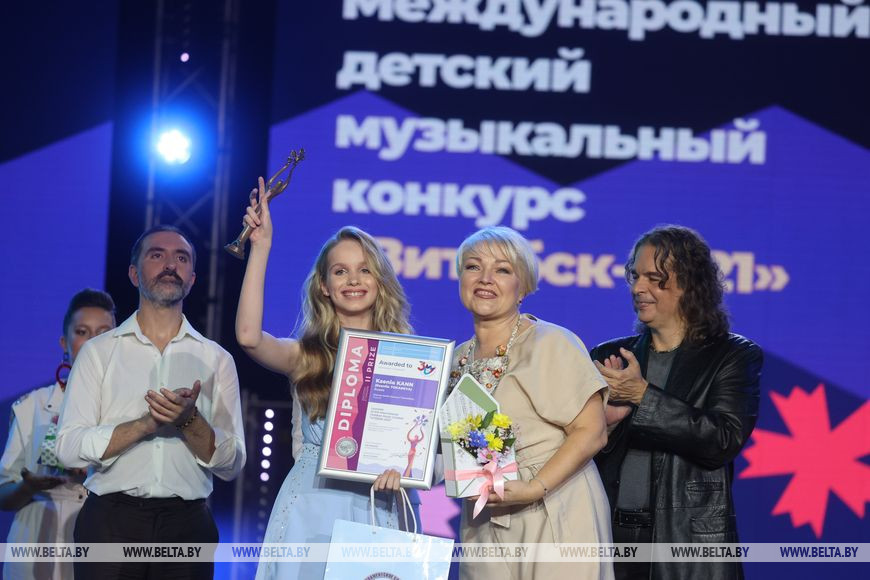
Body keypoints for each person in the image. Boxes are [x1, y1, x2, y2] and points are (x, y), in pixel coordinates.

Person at [235, 178, 418, 579]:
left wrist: (405, 471)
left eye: (365, 270)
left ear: (380, 281)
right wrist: (261, 247)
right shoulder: (306, 355)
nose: (353, 280)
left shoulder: (409, 360)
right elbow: (248, 337)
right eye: (340, 271)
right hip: (312, 509)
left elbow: (427, 452)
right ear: (324, 286)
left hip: (380, 506)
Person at [56, 225, 246, 580]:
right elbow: (68, 449)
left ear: (192, 279)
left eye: (181, 258)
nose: (170, 265)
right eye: (157, 255)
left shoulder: (217, 359)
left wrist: (189, 421)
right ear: (133, 273)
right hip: (110, 522)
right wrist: (146, 424)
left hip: (188, 525)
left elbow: (232, 463)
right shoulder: (98, 353)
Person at [591, 225, 763, 580]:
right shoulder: (610, 356)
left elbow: (722, 440)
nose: (638, 288)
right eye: (635, 276)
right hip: (610, 538)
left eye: (654, 279)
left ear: (689, 284)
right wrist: (604, 428)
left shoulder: (733, 356)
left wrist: (642, 396)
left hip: (686, 547)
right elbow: (579, 456)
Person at [449, 226, 613, 580]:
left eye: (502, 269)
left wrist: (533, 487)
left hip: (553, 508)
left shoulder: (551, 342)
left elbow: (592, 431)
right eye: (473, 267)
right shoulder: (456, 360)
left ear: (522, 287)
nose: (485, 278)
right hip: (483, 518)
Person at [0, 288, 116, 580]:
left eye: (103, 333)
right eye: (82, 332)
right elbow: (3, 494)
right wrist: (28, 487)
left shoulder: (132, 411)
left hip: (103, 540)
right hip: (36, 541)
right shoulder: (32, 406)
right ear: (65, 343)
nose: (93, 342)